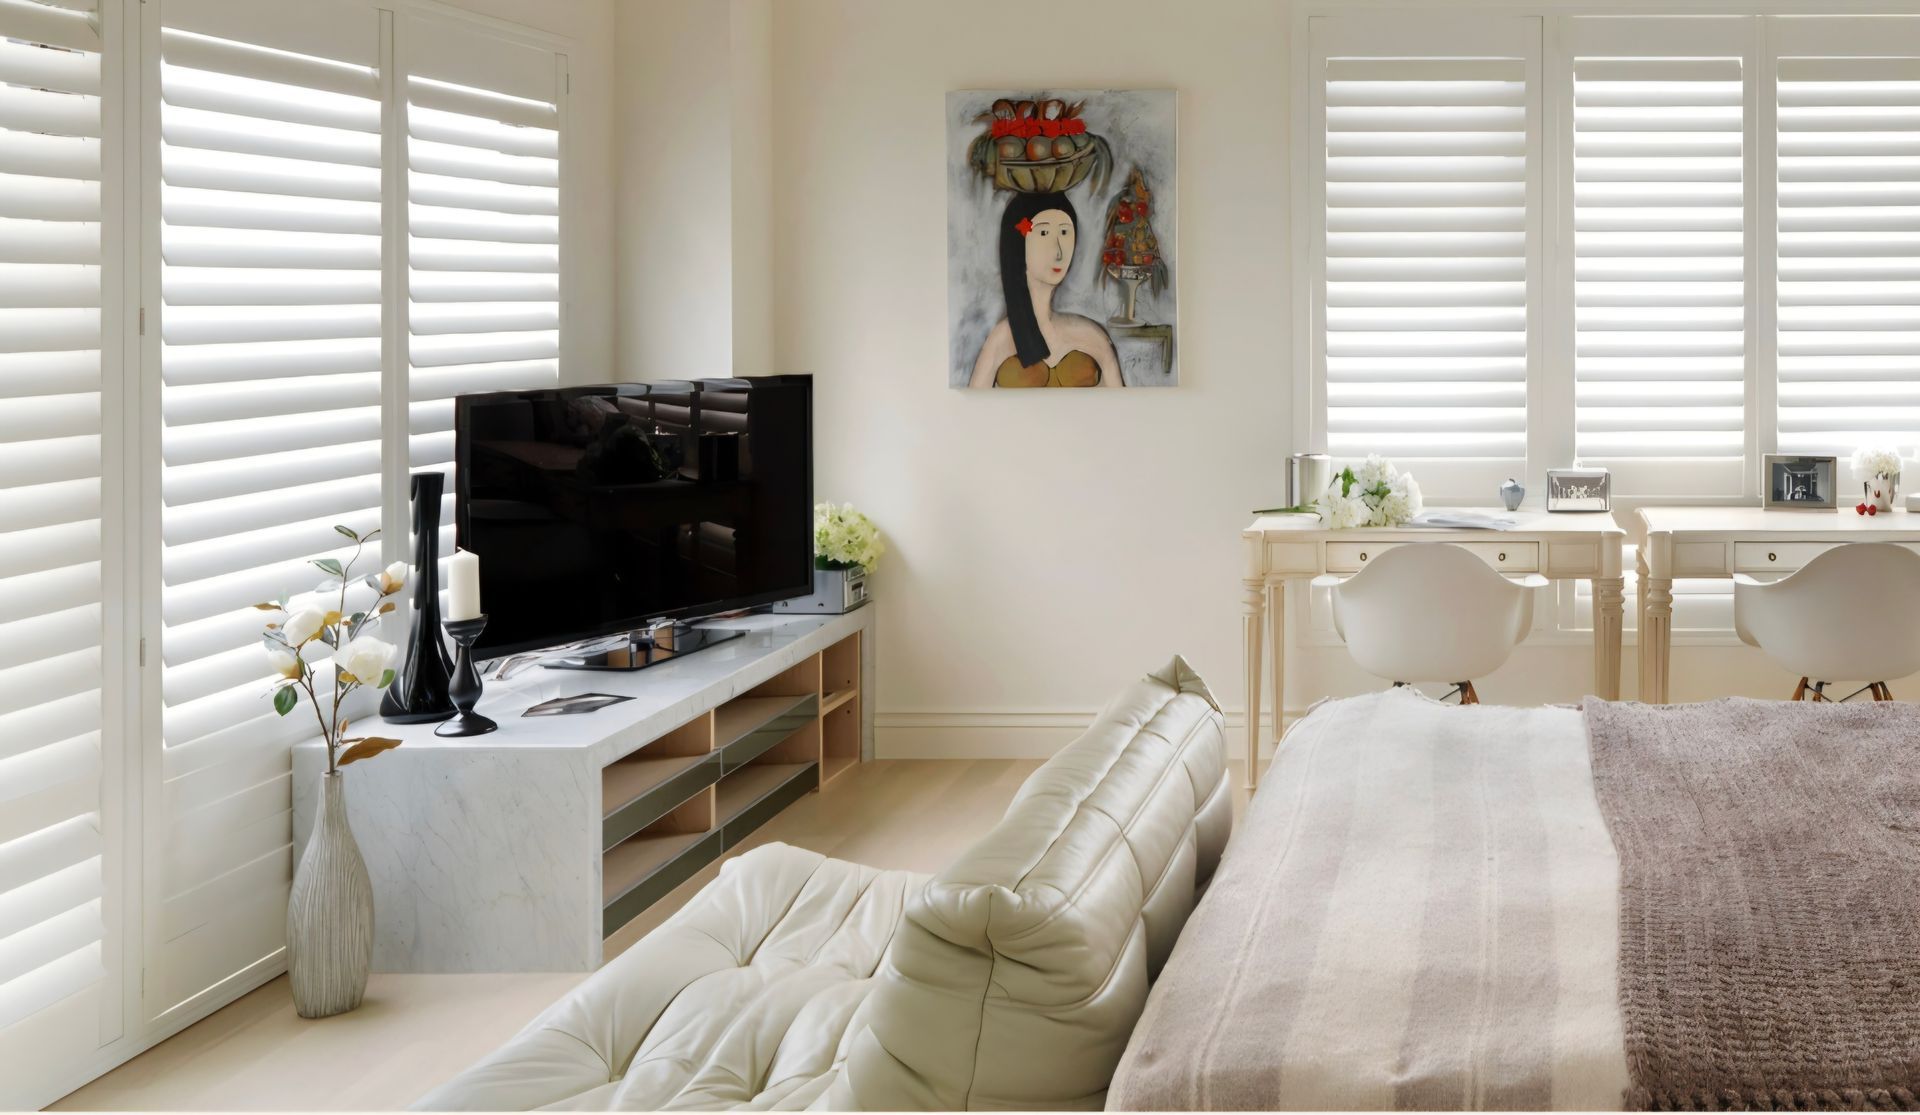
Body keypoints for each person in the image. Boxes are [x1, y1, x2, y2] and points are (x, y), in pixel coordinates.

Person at [968, 191, 1123, 388]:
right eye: (1043, 233)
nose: (1059, 251)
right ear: (1017, 242)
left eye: (1065, 232)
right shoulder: (1000, 340)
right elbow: (974, 412)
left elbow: (1121, 408)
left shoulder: (1093, 337)